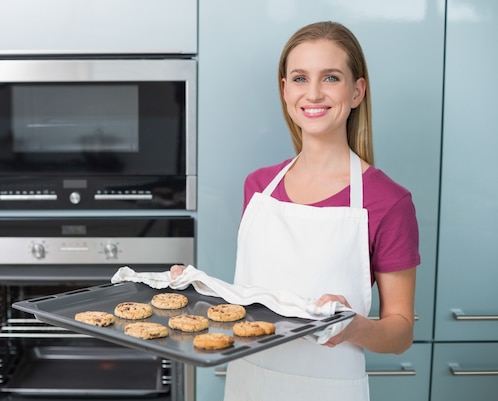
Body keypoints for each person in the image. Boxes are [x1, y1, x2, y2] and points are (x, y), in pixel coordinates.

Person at [172, 21, 420, 401]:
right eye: (300, 78)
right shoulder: (258, 187)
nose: (314, 93)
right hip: (247, 384)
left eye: (331, 78)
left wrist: (351, 328)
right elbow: (258, 301)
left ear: (357, 91)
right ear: (285, 90)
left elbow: (400, 332)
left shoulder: (388, 201)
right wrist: (197, 290)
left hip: (329, 389)